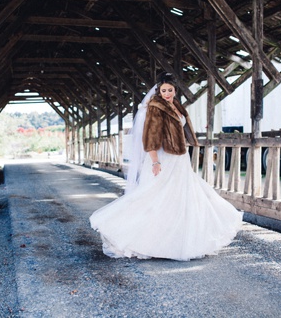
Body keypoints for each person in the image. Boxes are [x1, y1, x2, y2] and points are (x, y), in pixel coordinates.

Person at [89, 73, 242, 261]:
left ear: (175, 91)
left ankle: (179, 240)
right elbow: (150, 137)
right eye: (164, 90)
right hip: (163, 157)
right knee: (155, 195)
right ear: (158, 91)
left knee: (181, 196)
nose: (167, 93)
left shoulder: (176, 105)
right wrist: (155, 161)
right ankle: (133, 235)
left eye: (170, 90)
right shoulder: (155, 108)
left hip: (179, 158)